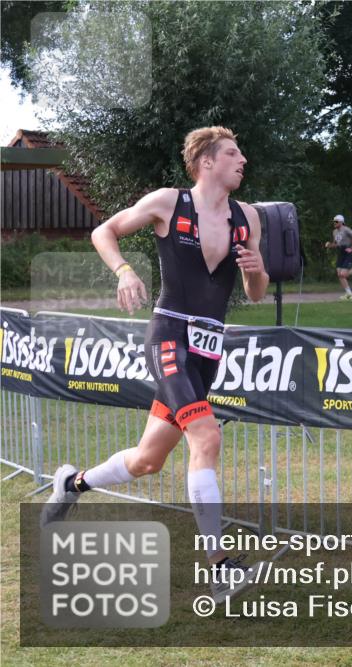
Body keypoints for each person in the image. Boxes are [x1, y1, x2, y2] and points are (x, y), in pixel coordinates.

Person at [41, 127, 269, 604]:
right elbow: (103, 231)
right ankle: (219, 567)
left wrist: (256, 272)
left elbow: (255, 293)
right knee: (206, 437)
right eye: (233, 152)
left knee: (148, 460)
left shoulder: (247, 218)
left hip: (208, 351)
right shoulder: (169, 201)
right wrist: (124, 271)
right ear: (207, 161)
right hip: (168, 338)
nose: (242, 159)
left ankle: (72, 483)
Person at [324, 214, 352, 300]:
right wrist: (329, 245)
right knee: (339, 275)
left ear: (341, 222)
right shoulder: (334, 232)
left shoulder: (346, 229)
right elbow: (336, 244)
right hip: (340, 252)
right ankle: (349, 294)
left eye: (336, 221)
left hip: (347, 251)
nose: (334, 223)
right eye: (334, 222)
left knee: (342, 274)